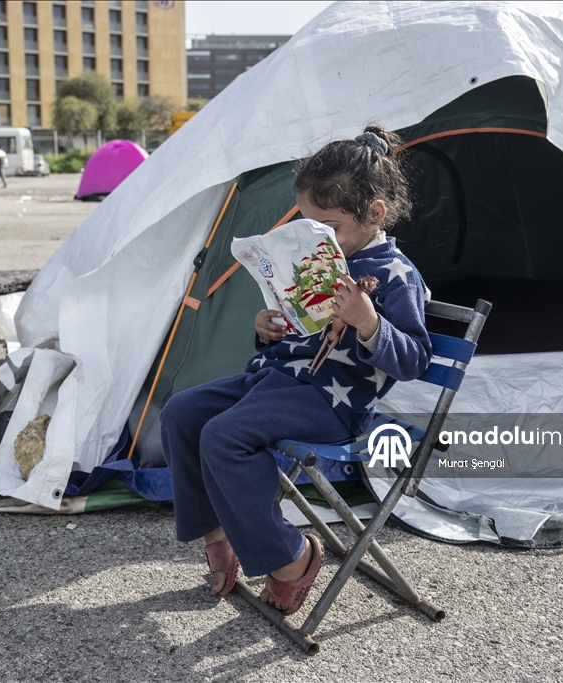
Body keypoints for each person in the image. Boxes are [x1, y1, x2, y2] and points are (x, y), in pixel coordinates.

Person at [162, 126, 432, 616]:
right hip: (276, 381)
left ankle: (291, 557)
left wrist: (369, 322)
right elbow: (302, 330)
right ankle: (219, 531)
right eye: (307, 225)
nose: (317, 238)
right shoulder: (317, 263)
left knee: (224, 436)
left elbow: (414, 358)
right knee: (181, 413)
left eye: (329, 227)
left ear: (375, 213)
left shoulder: (396, 275)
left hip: (332, 403)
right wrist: (269, 329)